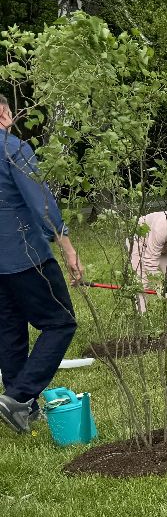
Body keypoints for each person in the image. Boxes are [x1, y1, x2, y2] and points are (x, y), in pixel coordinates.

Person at [0, 94, 85, 433]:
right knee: (60, 322)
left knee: (10, 331)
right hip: (25, 254)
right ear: (5, 114)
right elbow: (41, 202)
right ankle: (19, 397)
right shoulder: (14, 148)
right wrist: (66, 246)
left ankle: (22, 407)